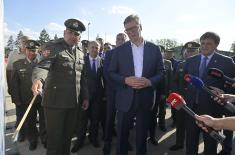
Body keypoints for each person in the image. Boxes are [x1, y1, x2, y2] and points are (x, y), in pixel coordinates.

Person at [31, 18, 89, 155]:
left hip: (73, 103)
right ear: (64, 32)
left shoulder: (81, 53)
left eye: (76, 34)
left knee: (67, 139)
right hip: (55, 104)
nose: (72, 36)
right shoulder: (53, 47)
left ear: (79, 37)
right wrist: (38, 79)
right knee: (55, 142)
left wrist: (85, 96)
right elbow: (42, 66)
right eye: (70, 32)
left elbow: (83, 78)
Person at [109, 14, 164, 155]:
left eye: (134, 28)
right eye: (127, 30)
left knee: (141, 136)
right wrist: (125, 80)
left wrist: (150, 81)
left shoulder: (154, 49)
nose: (131, 32)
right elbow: (111, 73)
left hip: (145, 99)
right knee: (122, 135)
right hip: (125, 98)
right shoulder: (119, 50)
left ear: (141, 27)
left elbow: (161, 72)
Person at [184, 32, 235, 155]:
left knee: (210, 143)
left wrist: (225, 93)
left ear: (216, 45)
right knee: (190, 141)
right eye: (202, 43)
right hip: (191, 108)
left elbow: (232, 85)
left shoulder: (227, 62)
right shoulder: (190, 60)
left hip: (213, 109)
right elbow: (184, 81)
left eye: (208, 43)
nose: (204, 46)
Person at [11, 40, 46, 150]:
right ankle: (33, 140)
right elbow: (14, 84)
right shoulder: (17, 64)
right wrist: (16, 100)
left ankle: (44, 139)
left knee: (44, 121)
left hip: (42, 98)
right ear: (25, 50)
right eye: (30, 50)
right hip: (26, 99)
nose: (32, 53)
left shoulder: (44, 63)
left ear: (38, 51)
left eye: (34, 50)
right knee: (30, 122)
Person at [103, 33, 131, 155]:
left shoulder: (131, 54)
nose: (120, 41)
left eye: (123, 39)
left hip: (126, 92)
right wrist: (120, 86)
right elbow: (107, 74)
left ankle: (124, 141)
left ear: (126, 41)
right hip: (113, 92)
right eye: (118, 39)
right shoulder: (109, 54)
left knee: (125, 120)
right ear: (115, 41)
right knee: (110, 118)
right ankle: (107, 143)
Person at [169, 41, 200, 151]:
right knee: (180, 123)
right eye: (187, 51)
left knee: (195, 127)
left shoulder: (201, 64)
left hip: (196, 102)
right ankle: (179, 143)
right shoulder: (181, 64)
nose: (189, 53)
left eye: (192, 51)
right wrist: (178, 95)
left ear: (198, 51)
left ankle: (193, 148)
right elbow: (174, 81)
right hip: (181, 100)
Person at [6, 35, 29, 142]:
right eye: (23, 41)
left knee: (30, 113)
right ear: (20, 42)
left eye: (27, 42)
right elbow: (9, 70)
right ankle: (21, 133)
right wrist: (10, 86)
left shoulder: (33, 52)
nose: (25, 43)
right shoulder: (13, 54)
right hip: (18, 89)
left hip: (30, 89)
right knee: (20, 112)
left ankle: (30, 131)